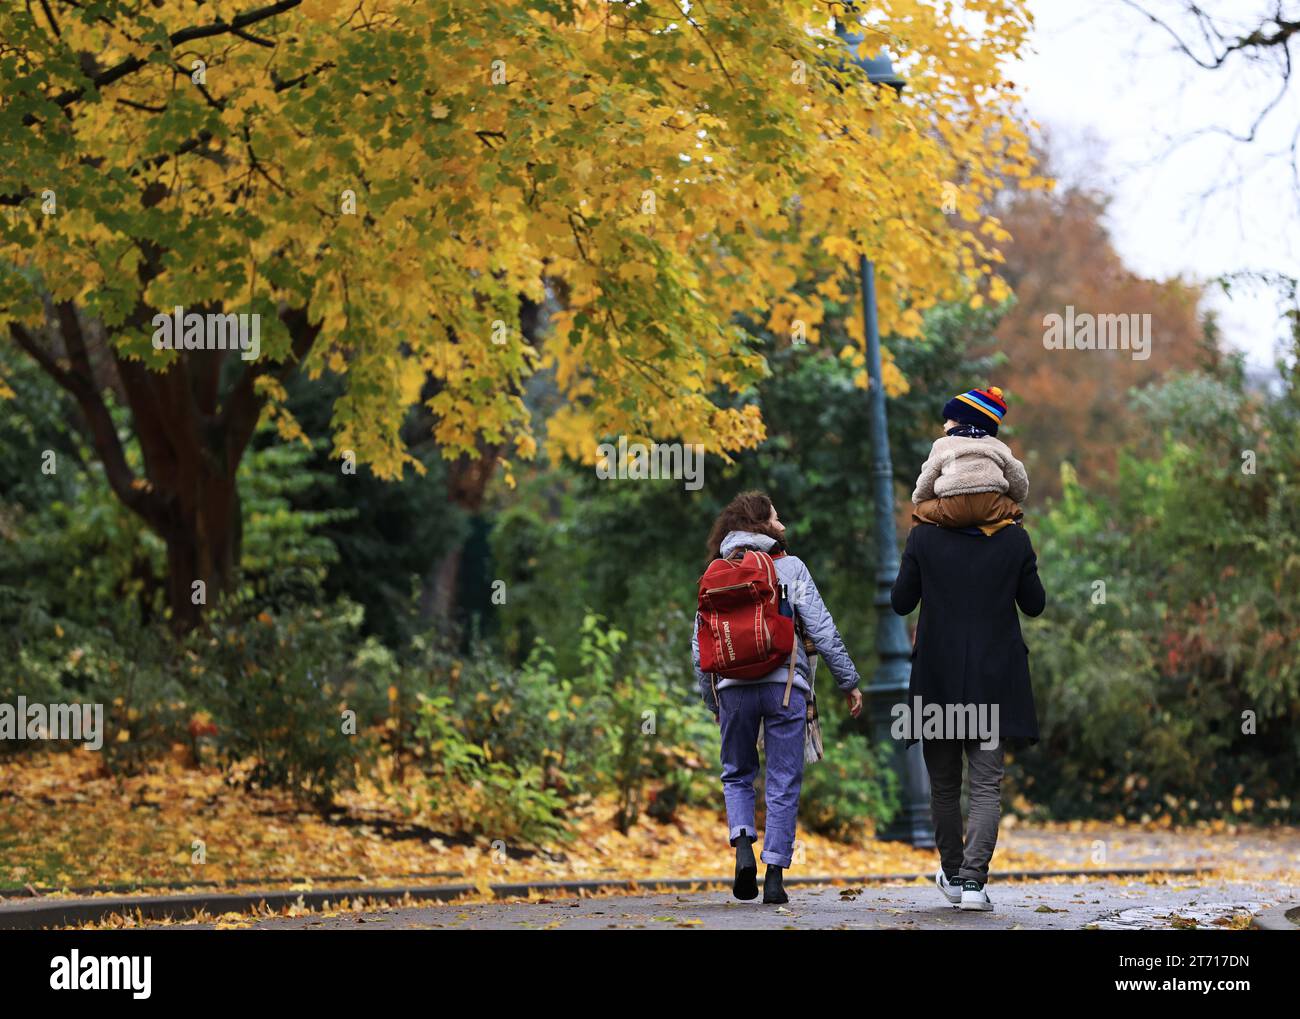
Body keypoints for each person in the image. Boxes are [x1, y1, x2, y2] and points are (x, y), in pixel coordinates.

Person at [691, 491, 863, 905]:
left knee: (737, 772)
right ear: (762, 524)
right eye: (776, 518)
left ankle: (743, 850)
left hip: (732, 689)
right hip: (785, 686)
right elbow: (821, 629)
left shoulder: (716, 571)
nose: (783, 525)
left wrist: (713, 701)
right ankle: (773, 878)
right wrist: (849, 681)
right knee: (783, 779)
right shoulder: (790, 567)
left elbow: (700, 649)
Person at [890, 507, 1046, 911]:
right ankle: (975, 883)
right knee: (984, 786)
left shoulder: (924, 537)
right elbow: (1035, 604)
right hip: (993, 681)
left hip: (937, 679)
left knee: (943, 786)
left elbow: (900, 601)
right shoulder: (1013, 538)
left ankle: (955, 876)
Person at [911, 385, 1028, 536]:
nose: (944, 424)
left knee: (920, 512)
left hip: (951, 506)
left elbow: (928, 477)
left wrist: (920, 499)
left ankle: (922, 546)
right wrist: (1015, 497)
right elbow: (1018, 480)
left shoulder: (942, 445)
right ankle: (1008, 540)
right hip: (990, 505)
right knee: (1016, 512)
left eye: (948, 419)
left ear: (961, 420)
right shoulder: (999, 447)